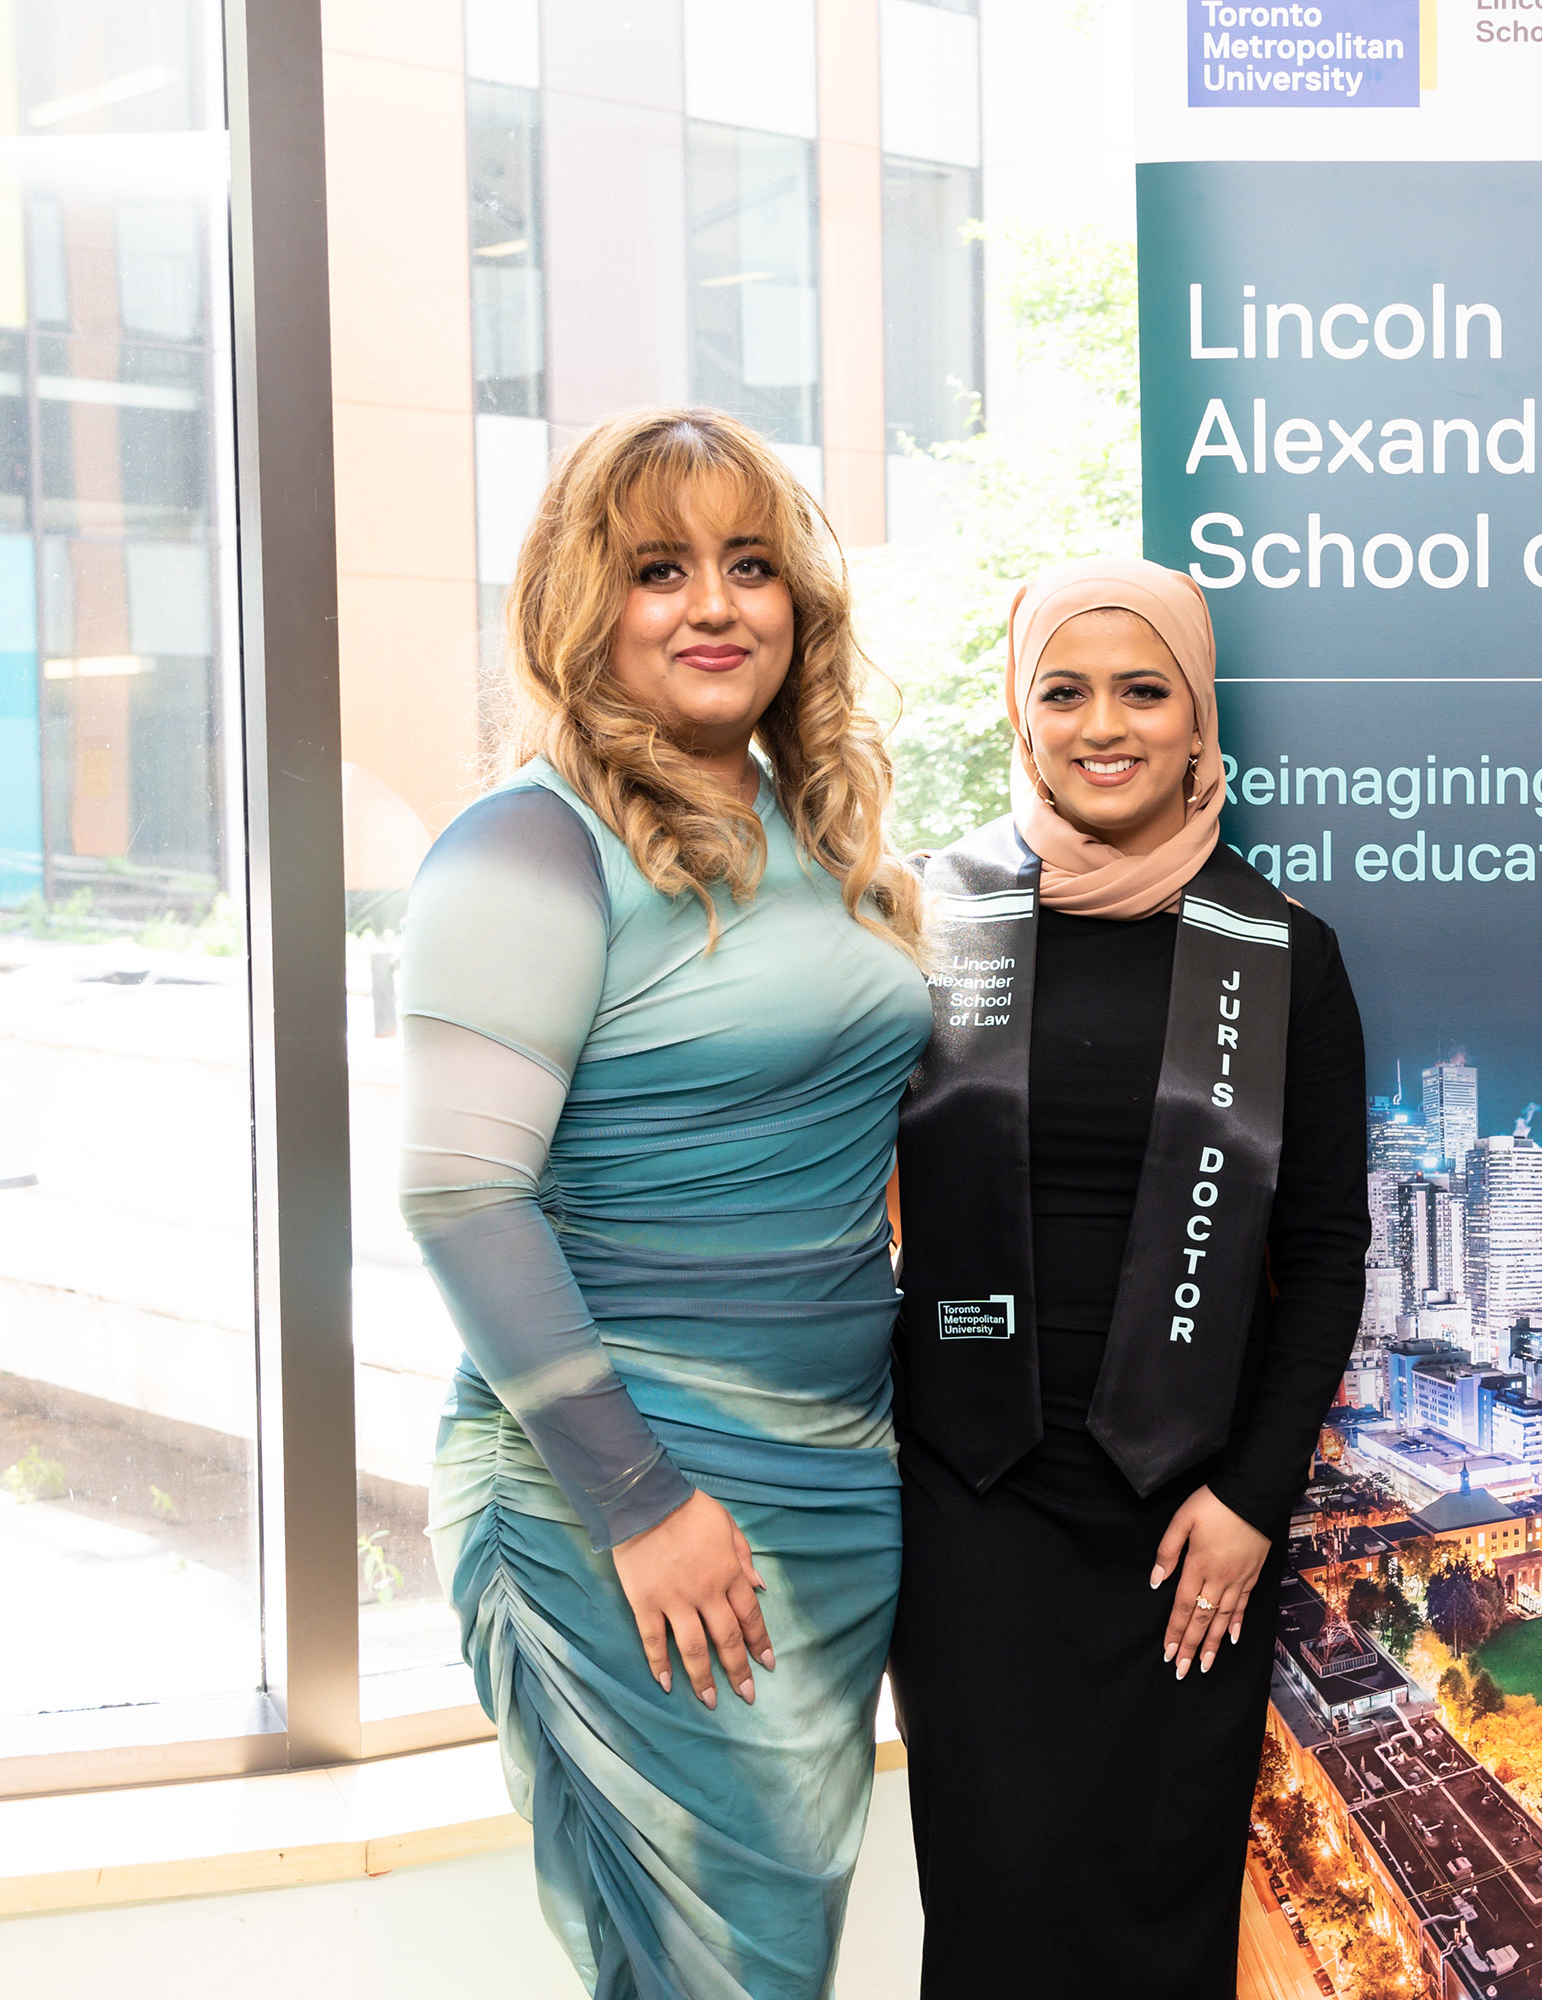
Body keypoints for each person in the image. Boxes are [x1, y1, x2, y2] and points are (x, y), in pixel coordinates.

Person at [399, 408, 930, 2000]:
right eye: (659, 569)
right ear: (584, 605)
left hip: (833, 1495)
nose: (715, 605)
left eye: (751, 564)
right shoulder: (523, 848)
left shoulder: (816, 834)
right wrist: (641, 1502)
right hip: (621, 1492)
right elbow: (460, 1195)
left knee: (768, 1971)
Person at [886, 554, 1368, 1999]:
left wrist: (1252, 1505)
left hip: (1186, 1523)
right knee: (994, 1905)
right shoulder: (924, 919)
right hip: (975, 1506)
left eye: (1144, 689)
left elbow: (1329, 1257)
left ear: (1198, 715)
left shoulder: (1281, 953)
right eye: (1066, 690)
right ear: (1018, 718)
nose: (1107, 724)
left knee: (1161, 1911)